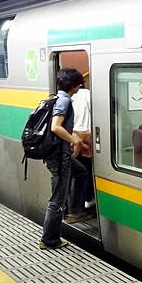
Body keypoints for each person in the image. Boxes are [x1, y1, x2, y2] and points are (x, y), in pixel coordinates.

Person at [39, 68, 83, 249]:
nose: (81, 86)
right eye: (79, 83)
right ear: (73, 84)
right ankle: (49, 240)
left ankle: (75, 210)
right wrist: (74, 140)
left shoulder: (56, 97)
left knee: (81, 172)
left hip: (59, 154)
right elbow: (55, 127)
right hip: (59, 156)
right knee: (57, 199)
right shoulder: (64, 100)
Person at [65, 74, 94, 223]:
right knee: (83, 174)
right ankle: (76, 211)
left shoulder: (64, 98)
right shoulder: (87, 95)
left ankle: (72, 209)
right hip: (83, 139)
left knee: (73, 176)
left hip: (71, 139)